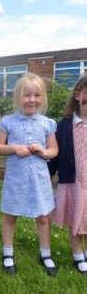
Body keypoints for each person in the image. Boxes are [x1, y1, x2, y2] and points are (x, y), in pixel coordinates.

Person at [0, 72, 59, 277]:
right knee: (10, 215)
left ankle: (46, 254)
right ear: (17, 97)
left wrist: (43, 152)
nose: (32, 99)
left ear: (43, 98)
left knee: (42, 217)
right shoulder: (8, 122)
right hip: (16, 179)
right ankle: (8, 253)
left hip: (39, 179)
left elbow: (54, 150)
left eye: (36, 95)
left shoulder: (47, 123)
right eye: (27, 95)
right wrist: (14, 148)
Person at [49, 74, 87, 275]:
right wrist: (50, 173)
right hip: (73, 183)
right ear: (78, 95)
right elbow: (56, 153)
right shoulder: (64, 125)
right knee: (74, 221)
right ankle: (77, 254)